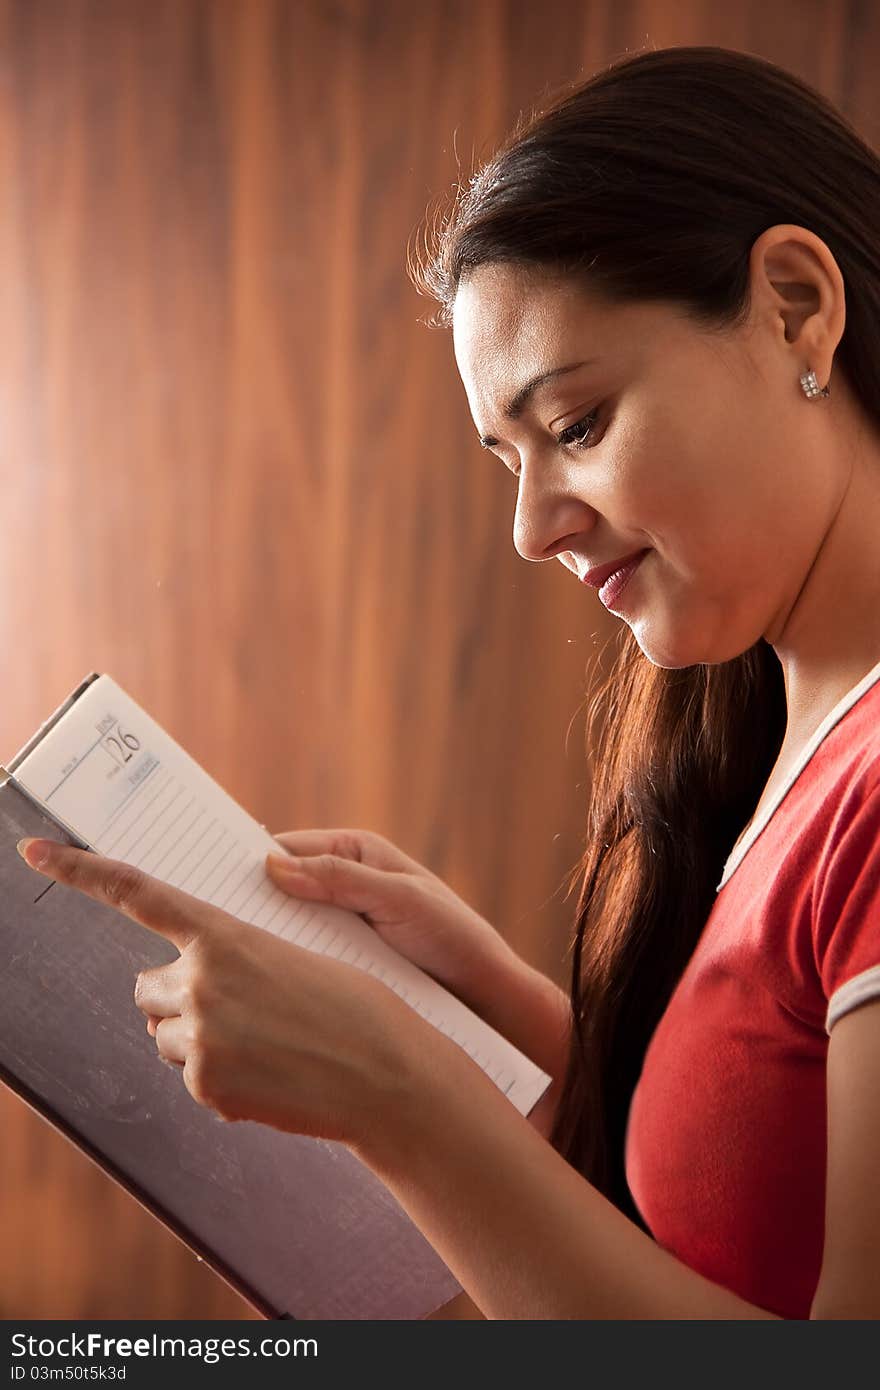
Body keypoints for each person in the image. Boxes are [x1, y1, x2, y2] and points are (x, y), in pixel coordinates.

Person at [16, 45, 880, 1319]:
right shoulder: (786, 718)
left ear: (795, 305)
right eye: (506, 458)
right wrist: (481, 993)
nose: (533, 529)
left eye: (577, 426)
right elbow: (751, 1173)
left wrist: (399, 1096)